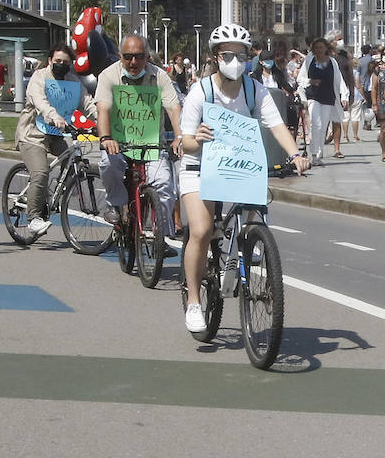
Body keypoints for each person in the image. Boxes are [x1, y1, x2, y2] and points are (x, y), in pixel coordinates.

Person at [179, 23, 309, 333]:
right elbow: (184, 141)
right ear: (215, 57)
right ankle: (195, 301)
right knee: (201, 229)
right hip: (198, 165)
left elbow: (277, 126)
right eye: (228, 55)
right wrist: (198, 137)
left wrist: (295, 155)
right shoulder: (202, 90)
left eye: (242, 55)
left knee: (257, 213)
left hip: (238, 165)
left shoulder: (255, 89)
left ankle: (243, 252)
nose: (236, 61)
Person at [6, 45, 96, 239]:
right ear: (49, 61)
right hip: (33, 134)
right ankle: (33, 218)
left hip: (56, 134)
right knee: (40, 172)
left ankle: (54, 196)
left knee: (71, 164)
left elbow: (87, 103)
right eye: (57, 61)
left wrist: (101, 120)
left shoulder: (73, 82)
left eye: (66, 63)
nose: (61, 65)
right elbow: (40, 102)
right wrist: (54, 116)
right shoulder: (39, 78)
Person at [95, 34, 181, 230]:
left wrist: (179, 136)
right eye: (128, 57)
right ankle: (115, 204)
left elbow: (174, 108)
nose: (134, 62)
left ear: (148, 57)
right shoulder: (108, 75)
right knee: (109, 163)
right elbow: (103, 109)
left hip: (151, 144)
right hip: (119, 143)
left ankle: (162, 234)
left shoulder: (160, 76)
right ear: (119, 56)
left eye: (140, 56)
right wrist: (106, 138)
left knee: (164, 184)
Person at [303, 36, 347, 164]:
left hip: (328, 96)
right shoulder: (309, 60)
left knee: (323, 125)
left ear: (326, 48)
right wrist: (310, 81)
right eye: (316, 48)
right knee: (315, 123)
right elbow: (301, 78)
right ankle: (314, 153)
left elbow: (339, 80)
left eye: (321, 47)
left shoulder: (332, 62)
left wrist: (344, 95)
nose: (318, 50)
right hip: (313, 95)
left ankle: (319, 150)